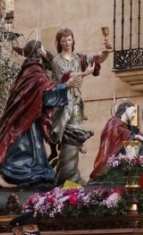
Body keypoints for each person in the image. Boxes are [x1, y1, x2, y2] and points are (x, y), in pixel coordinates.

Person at [0, 40, 84, 189]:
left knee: (28, 155)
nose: (45, 52)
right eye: (43, 49)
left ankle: (1, 174)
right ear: (38, 51)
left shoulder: (27, 70)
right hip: (26, 121)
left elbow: (36, 92)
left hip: (24, 117)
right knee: (24, 155)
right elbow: (44, 93)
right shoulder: (35, 71)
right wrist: (66, 86)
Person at [50, 27, 111, 185]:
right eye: (64, 40)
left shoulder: (78, 58)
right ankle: (67, 177)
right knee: (68, 133)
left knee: (76, 131)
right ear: (60, 43)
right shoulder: (57, 61)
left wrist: (107, 50)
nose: (67, 43)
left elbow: (97, 60)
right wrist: (85, 73)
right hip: (63, 104)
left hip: (76, 100)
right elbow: (66, 78)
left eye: (69, 39)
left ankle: (70, 176)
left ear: (73, 40)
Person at [89, 101, 143, 181]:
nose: (134, 115)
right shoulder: (114, 121)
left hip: (124, 153)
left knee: (139, 144)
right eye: (133, 111)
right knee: (137, 143)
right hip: (113, 153)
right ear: (126, 109)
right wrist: (135, 136)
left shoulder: (128, 125)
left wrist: (138, 135)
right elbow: (116, 132)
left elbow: (135, 133)